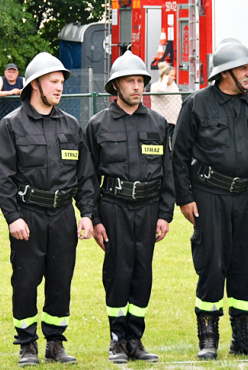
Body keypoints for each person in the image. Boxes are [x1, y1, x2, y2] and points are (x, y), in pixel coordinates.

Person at [172, 39, 248, 361]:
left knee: (247, 266)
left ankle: (244, 338)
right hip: (209, 195)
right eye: (245, 68)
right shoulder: (198, 104)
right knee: (212, 265)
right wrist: (185, 198)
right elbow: (179, 155)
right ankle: (208, 338)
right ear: (226, 72)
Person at [0, 52, 97, 366]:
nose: (60, 87)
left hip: (63, 216)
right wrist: (13, 217)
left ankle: (55, 342)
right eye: (53, 81)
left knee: (60, 280)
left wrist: (87, 214)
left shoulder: (71, 125)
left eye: (62, 82)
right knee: (25, 281)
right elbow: (2, 176)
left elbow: (85, 175)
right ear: (35, 83)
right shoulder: (11, 125)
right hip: (28, 216)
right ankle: (26, 344)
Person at [85, 51, 175, 364]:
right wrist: (94, 218)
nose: (136, 86)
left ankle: (135, 339)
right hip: (113, 207)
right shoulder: (98, 125)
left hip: (149, 207)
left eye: (140, 81)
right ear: (116, 85)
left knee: (142, 273)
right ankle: (116, 339)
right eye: (130, 81)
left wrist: (165, 214)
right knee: (117, 272)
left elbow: (168, 171)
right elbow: (88, 176)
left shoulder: (158, 123)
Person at [149, 62, 182, 142]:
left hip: (173, 121)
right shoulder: (155, 86)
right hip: (160, 120)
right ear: (165, 76)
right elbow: (161, 90)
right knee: (161, 142)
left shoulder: (174, 86)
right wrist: (164, 80)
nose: (174, 78)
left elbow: (179, 100)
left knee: (174, 141)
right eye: (172, 76)